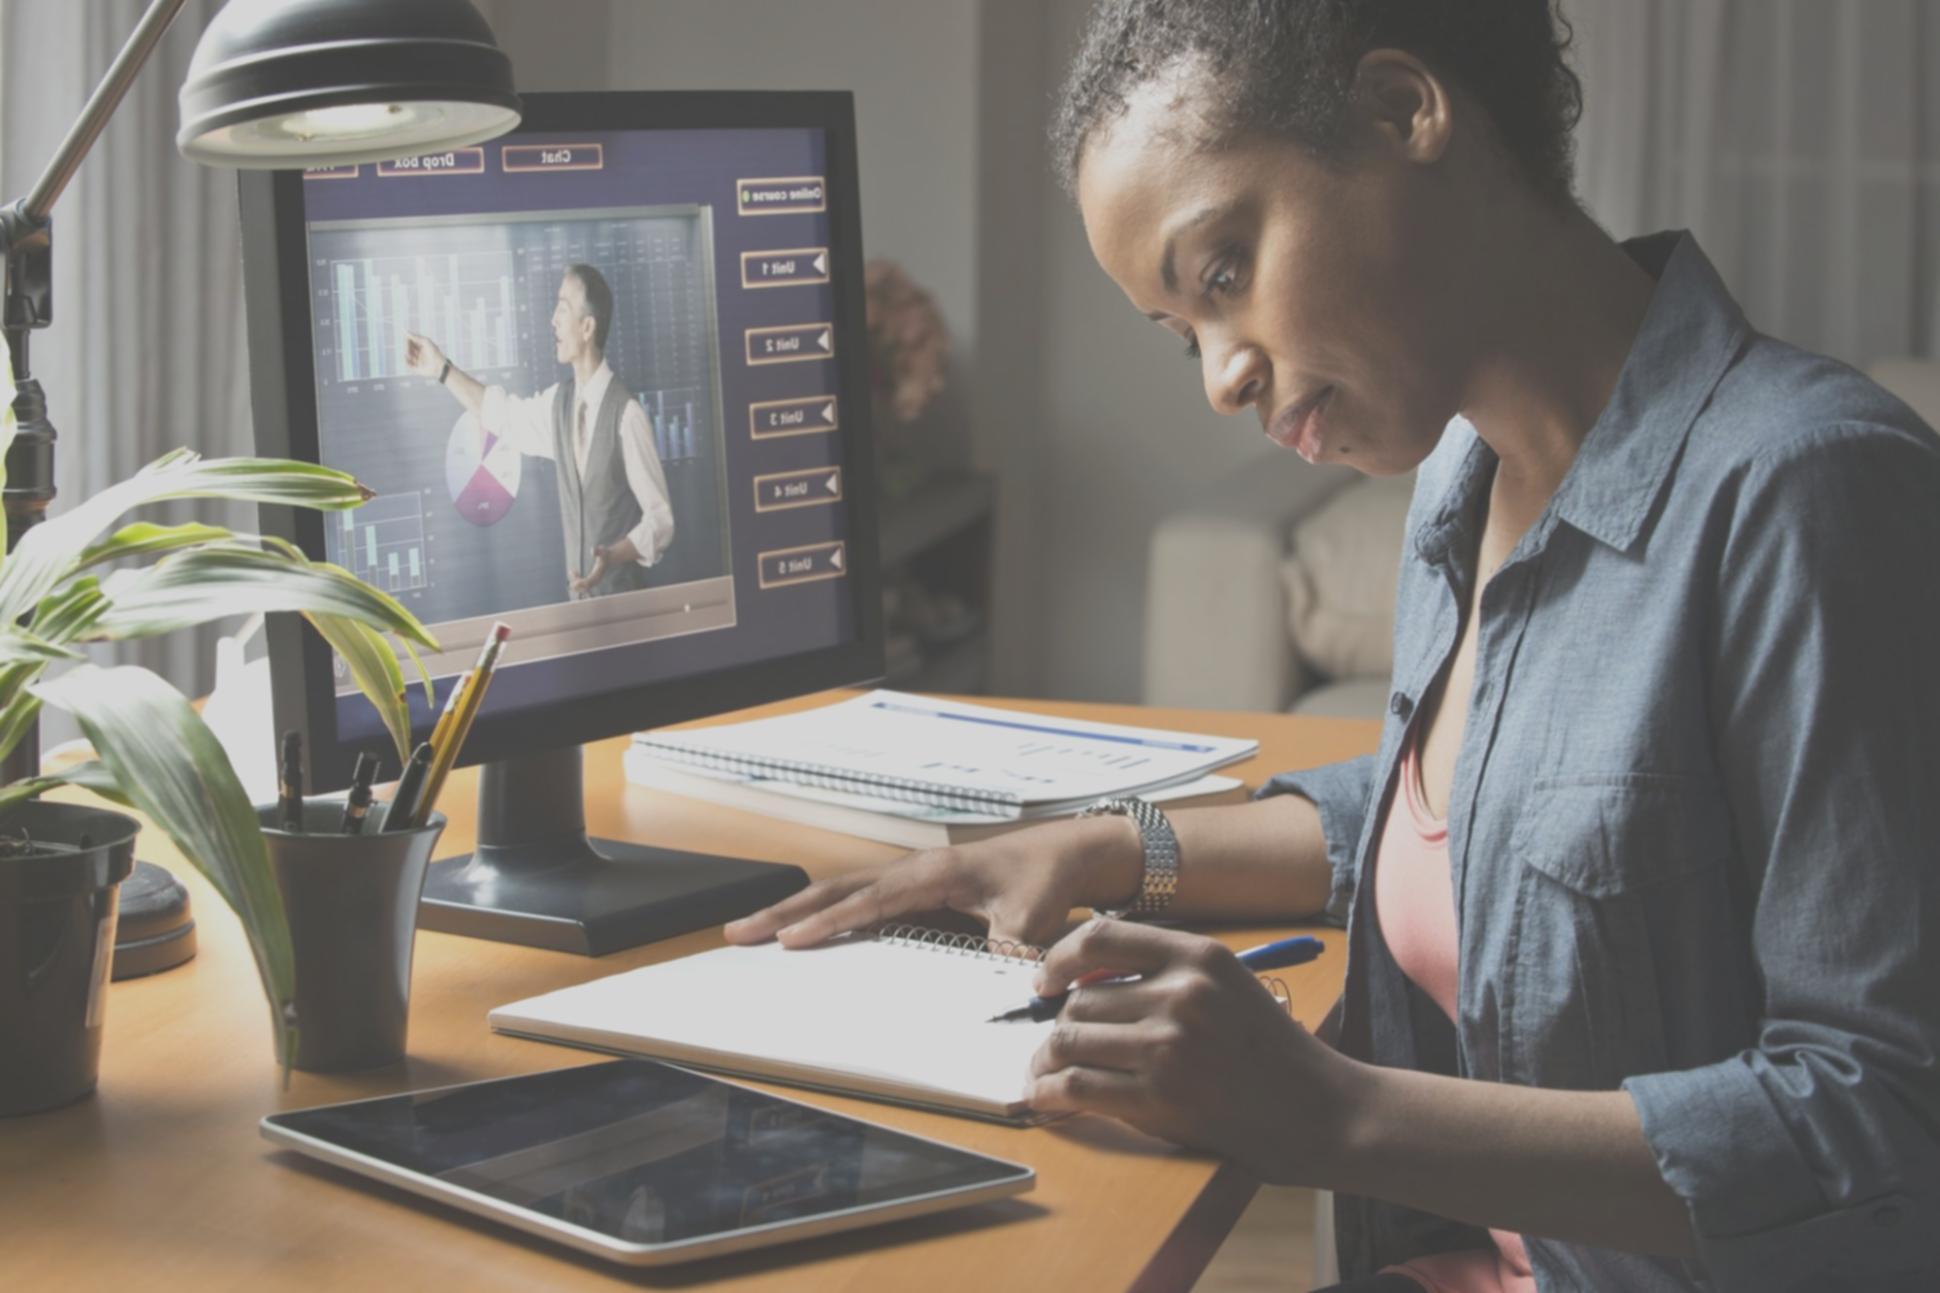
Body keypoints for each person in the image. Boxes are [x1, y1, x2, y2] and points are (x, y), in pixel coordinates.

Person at [725, 2, 1940, 1290]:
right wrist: (1092, 847)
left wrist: (1331, 1115)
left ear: (1401, 111)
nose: (1217, 377)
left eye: (1222, 273)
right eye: (1179, 329)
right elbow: (1481, 817)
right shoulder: (1460, 479)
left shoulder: (1809, 491)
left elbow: (1880, 1128)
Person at [405, 263, 674, 600]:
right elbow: (500, 413)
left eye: (563, 308)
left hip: (626, 612)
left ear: (587, 326)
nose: (553, 320)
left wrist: (613, 555)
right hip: (580, 614)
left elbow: (661, 521)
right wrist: (441, 369)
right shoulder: (558, 405)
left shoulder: (627, 414)